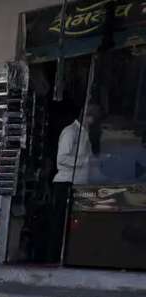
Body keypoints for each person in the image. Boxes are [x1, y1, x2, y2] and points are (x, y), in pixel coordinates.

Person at [46, 104, 101, 263]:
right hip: (66, 184)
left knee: (75, 226)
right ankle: (53, 258)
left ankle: (68, 257)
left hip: (80, 185)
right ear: (85, 115)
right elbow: (61, 159)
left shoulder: (86, 134)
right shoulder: (70, 132)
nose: (93, 121)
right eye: (92, 117)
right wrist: (84, 161)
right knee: (60, 224)